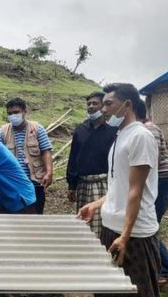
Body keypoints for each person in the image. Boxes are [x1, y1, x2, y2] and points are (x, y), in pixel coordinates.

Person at [78, 83, 161, 297]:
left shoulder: (140, 137)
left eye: (108, 104)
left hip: (134, 234)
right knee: (110, 290)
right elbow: (119, 186)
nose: (103, 109)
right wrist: (96, 204)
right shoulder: (119, 136)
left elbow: (136, 190)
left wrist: (125, 236)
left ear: (127, 105)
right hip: (112, 227)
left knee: (137, 291)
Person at [136, 100, 168, 284]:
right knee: (149, 224)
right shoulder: (142, 130)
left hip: (160, 182)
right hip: (157, 182)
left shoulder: (149, 130)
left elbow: (150, 161)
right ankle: (162, 265)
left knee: (150, 226)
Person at [66, 92, 117, 237]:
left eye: (95, 103)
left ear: (103, 107)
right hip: (83, 183)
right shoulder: (80, 130)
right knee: (84, 221)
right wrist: (71, 184)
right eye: (89, 104)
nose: (91, 106)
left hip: (103, 183)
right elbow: (73, 158)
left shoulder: (113, 132)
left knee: (102, 221)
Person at [0, 97, 53, 214]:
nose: (13, 116)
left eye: (16, 112)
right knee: (5, 219)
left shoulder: (37, 128)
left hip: (34, 184)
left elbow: (46, 151)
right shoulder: (2, 132)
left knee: (33, 220)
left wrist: (49, 172)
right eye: (9, 113)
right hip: (10, 184)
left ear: (24, 111)